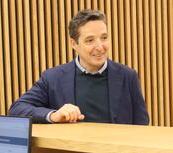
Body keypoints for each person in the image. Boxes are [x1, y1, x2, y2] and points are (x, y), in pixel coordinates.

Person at [9, 9, 149, 125]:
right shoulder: (53, 78)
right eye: (90, 40)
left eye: (104, 38)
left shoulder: (128, 76)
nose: (100, 47)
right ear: (74, 44)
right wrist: (53, 115)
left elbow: (142, 125)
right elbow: (17, 109)